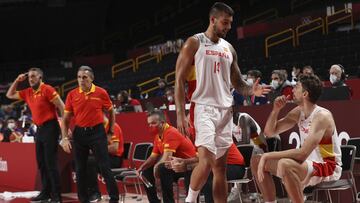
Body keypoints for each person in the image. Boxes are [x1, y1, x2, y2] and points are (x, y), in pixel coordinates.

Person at [174, 2, 270, 202]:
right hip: (203, 108)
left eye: (230, 23)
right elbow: (179, 80)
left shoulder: (229, 48)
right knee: (206, 161)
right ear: (213, 20)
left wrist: (251, 89)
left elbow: (238, 82)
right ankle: (189, 200)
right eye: (225, 23)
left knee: (220, 169)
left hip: (225, 111)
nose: (228, 27)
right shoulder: (194, 43)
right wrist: (180, 114)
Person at [251, 74, 342, 203]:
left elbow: (302, 154)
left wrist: (268, 155)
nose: (292, 90)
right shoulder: (299, 111)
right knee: (256, 160)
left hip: (327, 166)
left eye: (296, 87)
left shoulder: (322, 116)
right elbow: (269, 132)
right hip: (308, 164)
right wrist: (276, 110)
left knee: (284, 164)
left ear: (305, 94)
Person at [59, 66, 119, 203]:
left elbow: (111, 112)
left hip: (97, 132)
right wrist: (64, 138)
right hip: (79, 133)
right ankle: (83, 199)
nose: (81, 80)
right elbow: (66, 119)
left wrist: (110, 131)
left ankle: (114, 199)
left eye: (84, 77)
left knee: (104, 167)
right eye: (79, 77)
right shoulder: (72, 94)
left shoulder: (101, 92)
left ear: (92, 78)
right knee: (80, 169)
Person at [6, 67, 64, 203]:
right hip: (40, 130)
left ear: (40, 77)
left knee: (51, 162)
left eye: (33, 76)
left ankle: (57, 196)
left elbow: (62, 106)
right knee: (41, 163)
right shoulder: (27, 92)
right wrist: (17, 80)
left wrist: (65, 129)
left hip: (51, 127)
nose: (31, 79)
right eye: (29, 76)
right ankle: (46, 192)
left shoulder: (47, 89)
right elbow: (9, 94)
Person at [135, 109, 197, 203]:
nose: (150, 126)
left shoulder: (171, 132)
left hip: (189, 166)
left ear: (162, 123)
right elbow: (153, 157)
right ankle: (154, 201)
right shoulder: (158, 136)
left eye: (153, 123)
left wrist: (156, 168)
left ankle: (168, 201)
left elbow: (167, 158)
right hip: (175, 165)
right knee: (146, 171)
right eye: (149, 124)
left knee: (163, 168)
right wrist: (141, 168)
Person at [86, 115, 124, 202]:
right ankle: (89, 192)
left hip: (114, 159)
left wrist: (96, 149)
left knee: (90, 162)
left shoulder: (113, 126)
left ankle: (95, 193)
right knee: (83, 161)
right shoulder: (98, 129)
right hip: (103, 156)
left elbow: (114, 148)